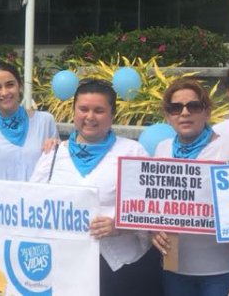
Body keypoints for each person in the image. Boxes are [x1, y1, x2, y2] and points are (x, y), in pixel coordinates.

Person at [30, 79, 162, 296]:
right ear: (74, 111)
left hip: (121, 268)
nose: (90, 117)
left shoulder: (132, 152)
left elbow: (152, 209)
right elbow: (30, 203)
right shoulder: (52, 154)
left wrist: (119, 226)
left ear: (112, 115)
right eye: (83, 109)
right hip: (65, 265)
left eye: (99, 110)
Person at [151, 78, 229, 296]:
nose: (184, 113)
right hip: (174, 268)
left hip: (222, 270)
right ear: (168, 116)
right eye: (175, 108)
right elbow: (151, 205)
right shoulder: (162, 149)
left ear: (207, 111)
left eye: (194, 106)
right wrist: (152, 229)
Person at [0, 62, 58, 182]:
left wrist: (60, 146)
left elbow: (57, 167)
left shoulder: (45, 121)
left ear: (20, 86)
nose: (4, 92)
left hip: (37, 194)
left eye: (10, 85)